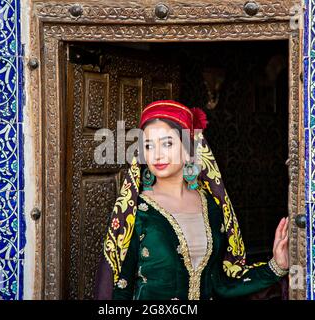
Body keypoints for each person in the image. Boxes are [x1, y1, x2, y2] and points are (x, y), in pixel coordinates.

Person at [94, 100, 289, 300]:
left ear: (188, 149)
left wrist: (276, 266)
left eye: (167, 143)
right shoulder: (136, 212)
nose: (157, 155)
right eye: (148, 146)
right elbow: (119, 290)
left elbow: (221, 284)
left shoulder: (212, 207)